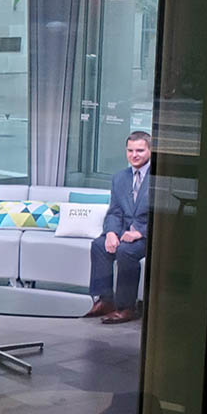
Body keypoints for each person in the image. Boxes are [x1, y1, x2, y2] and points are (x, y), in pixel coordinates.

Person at [86, 131, 152, 324]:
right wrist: (111, 233)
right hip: (123, 231)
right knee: (99, 245)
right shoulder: (119, 178)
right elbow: (114, 211)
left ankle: (126, 307)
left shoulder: (159, 178)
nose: (134, 155)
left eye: (140, 150)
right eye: (130, 150)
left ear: (150, 150)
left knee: (126, 252)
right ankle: (105, 300)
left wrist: (139, 232)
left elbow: (166, 215)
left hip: (149, 235)